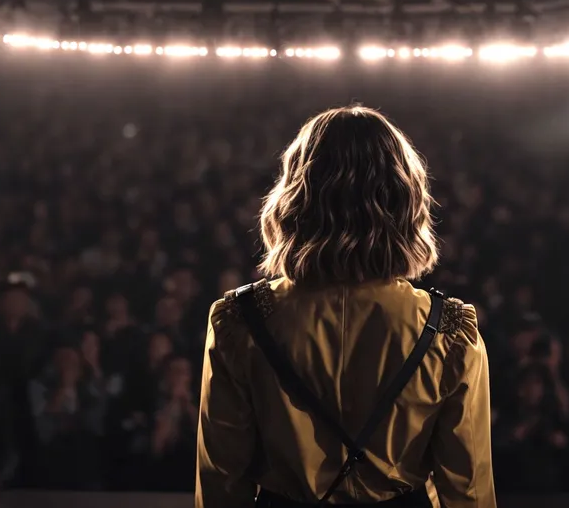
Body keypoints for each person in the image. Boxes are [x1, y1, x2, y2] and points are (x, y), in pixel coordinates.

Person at [196, 106, 495, 508]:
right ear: (403, 200)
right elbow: (468, 492)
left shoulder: (240, 320)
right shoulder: (448, 331)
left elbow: (221, 482)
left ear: (296, 197)